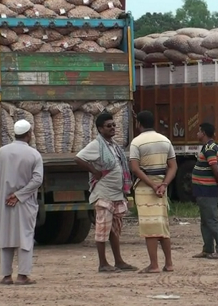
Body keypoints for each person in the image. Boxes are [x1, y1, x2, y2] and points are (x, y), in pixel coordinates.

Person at [74, 112, 138, 273]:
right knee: (102, 229)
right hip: (103, 193)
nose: (112, 128)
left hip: (116, 194)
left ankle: (119, 261)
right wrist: (94, 171)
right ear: (100, 129)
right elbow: (79, 158)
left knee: (115, 229)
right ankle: (103, 263)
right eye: (108, 126)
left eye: (114, 125)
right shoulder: (96, 145)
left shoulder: (113, 145)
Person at [0, 119, 43, 286]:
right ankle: (22, 276)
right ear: (29, 134)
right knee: (25, 238)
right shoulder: (34, 154)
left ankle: (6, 276)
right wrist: (19, 195)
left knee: (5, 237)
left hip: (4, 201)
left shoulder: (1, 152)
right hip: (25, 203)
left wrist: (5, 195)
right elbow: (37, 180)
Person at [129, 110, 178, 273]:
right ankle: (169, 263)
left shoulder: (136, 142)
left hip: (145, 188)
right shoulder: (165, 140)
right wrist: (163, 184)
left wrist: (151, 185)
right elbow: (173, 166)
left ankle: (154, 264)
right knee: (162, 225)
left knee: (150, 227)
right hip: (162, 188)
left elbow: (135, 169)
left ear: (139, 124)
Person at [191, 123, 218, 260]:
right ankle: (208, 249)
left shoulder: (209, 148)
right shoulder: (208, 147)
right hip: (202, 189)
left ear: (203, 133)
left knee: (212, 220)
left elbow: (214, 167)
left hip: (206, 189)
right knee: (205, 220)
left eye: (198, 131)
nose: (197, 134)